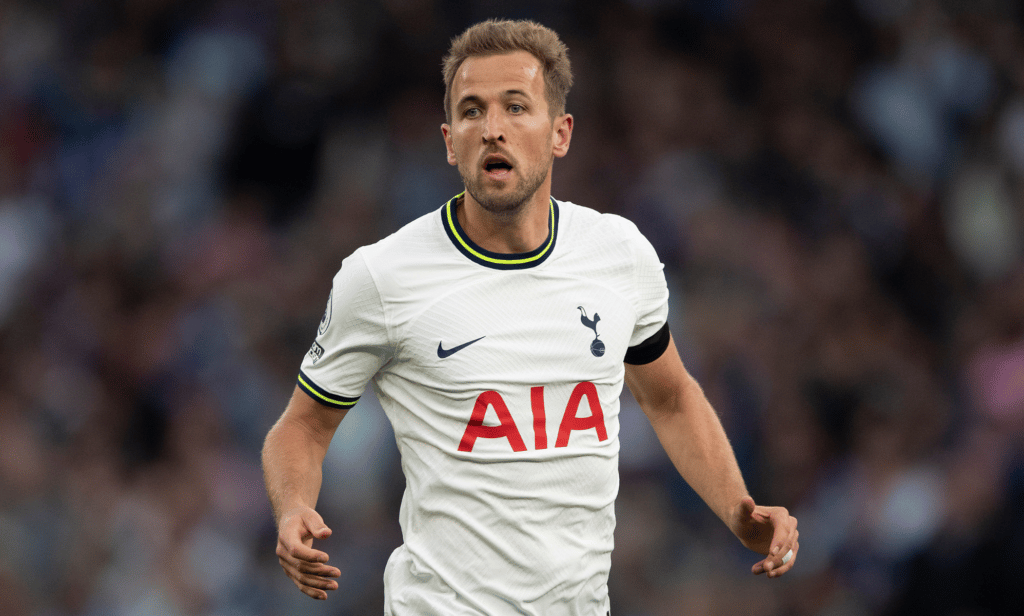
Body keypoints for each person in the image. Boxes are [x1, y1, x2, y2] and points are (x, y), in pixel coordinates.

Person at [261, 18, 798, 614]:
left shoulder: (619, 256)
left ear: (560, 132)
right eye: (471, 111)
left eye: (516, 107)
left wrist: (737, 509)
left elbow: (670, 399)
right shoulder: (382, 276)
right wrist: (292, 508)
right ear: (447, 140)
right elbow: (302, 427)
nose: (492, 129)